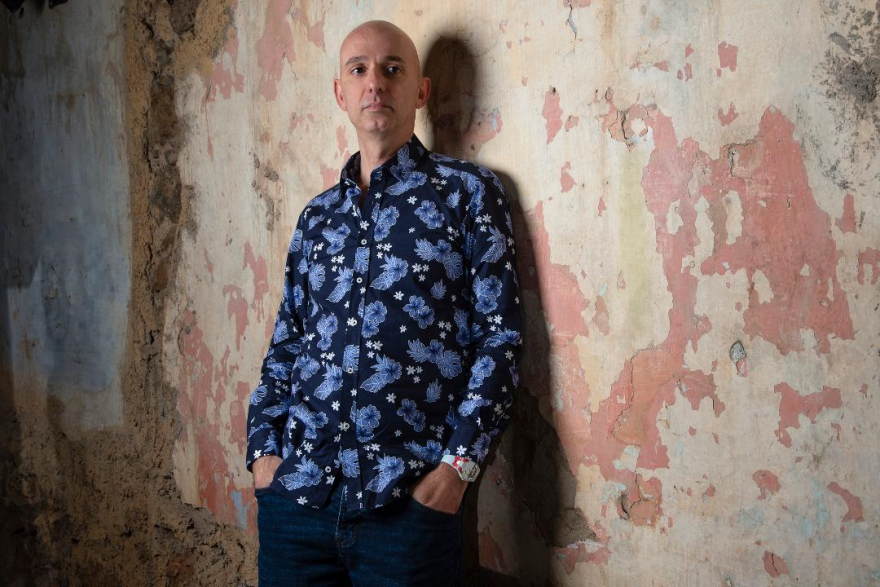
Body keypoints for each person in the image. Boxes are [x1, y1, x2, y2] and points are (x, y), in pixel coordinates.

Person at [245, 20, 522, 586]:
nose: (375, 82)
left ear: (420, 91)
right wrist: (263, 456)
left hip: (408, 511)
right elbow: (288, 342)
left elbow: (501, 340)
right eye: (359, 70)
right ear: (340, 93)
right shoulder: (316, 217)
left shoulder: (469, 194)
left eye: (393, 69)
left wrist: (455, 472)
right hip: (297, 502)